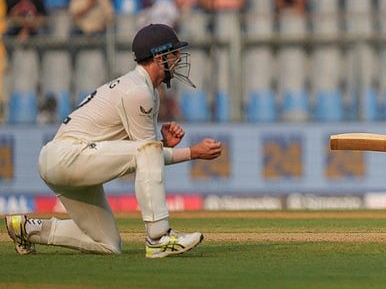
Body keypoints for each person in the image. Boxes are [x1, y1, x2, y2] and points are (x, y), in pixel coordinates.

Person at [4, 24, 223, 258]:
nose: (178, 59)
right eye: (173, 53)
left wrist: (164, 145)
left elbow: (144, 154)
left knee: (108, 244)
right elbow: (147, 153)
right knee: (147, 151)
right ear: (159, 57)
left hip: (66, 159)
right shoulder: (138, 91)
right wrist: (193, 152)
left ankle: (28, 228)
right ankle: (158, 237)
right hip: (67, 156)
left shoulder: (146, 90)